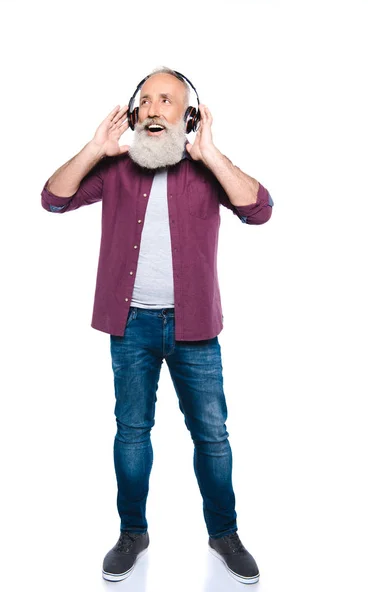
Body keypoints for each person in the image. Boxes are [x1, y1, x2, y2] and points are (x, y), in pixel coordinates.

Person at [40, 66, 273, 585]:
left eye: (166, 100)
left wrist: (211, 152)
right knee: (131, 432)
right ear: (134, 111)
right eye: (145, 100)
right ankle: (132, 532)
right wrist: (94, 147)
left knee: (212, 436)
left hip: (196, 329)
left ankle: (224, 533)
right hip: (130, 328)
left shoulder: (207, 170)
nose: (152, 108)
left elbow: (259, 211)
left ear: (188, 115)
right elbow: (53, 198)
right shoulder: (118, 168)